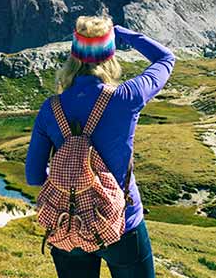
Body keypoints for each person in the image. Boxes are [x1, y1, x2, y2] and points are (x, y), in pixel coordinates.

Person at [25, 16, 175, 278]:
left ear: (73, 57)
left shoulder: (51, 108)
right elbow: (166, 59)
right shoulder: (126, 97)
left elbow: (34, 176)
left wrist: (72, 185)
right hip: (123, 224)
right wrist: (122, 33)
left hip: (68, 226)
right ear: (110, 56)